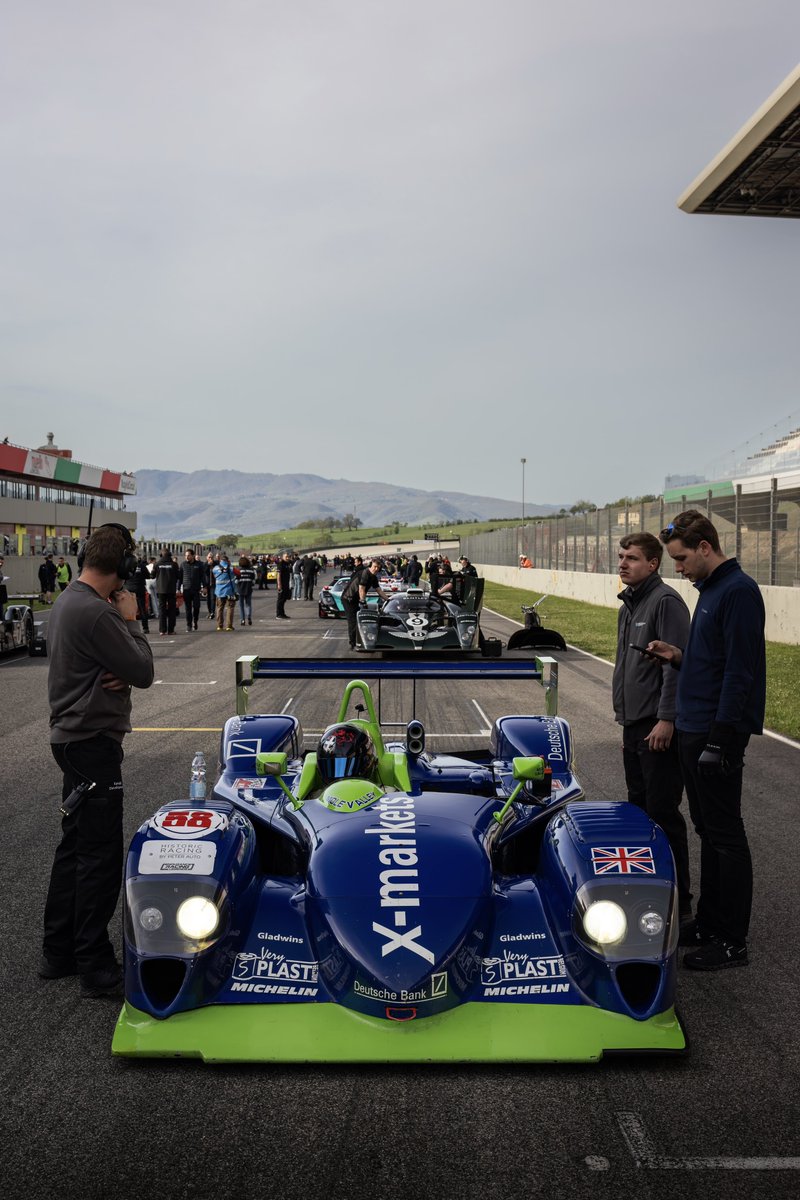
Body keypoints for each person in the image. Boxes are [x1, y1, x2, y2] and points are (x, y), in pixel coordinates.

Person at [649, 510, 766, 971]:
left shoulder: (739, 591)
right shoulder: (711, 591)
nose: (677, 568)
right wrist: (678, 656)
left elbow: (740, 671)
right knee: (707, 831)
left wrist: (721, 739)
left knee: (725, 834)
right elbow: (710, 661)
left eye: (680, 559)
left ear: (704, 547)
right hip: (695, 726)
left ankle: (732, 939)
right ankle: (713, 921)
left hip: (716, 732)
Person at [41, 523, 154, 997]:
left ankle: (59, 951)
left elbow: (120, 671)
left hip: (71, 740)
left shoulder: (69, 600)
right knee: (99, 856)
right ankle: (94, 964)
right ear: (122, 565)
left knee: (74, 849)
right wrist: (130, 621)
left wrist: (118, 671)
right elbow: (144, 670)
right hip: (92, 743)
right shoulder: (101, 614)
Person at [612, 532, 692, 923]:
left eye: (632, 558)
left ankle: (680, 903)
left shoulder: (665, 602)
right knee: (639, 813)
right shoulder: (628, 605)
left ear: (653, 564)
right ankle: (647, 896)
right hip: (633, 726)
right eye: (621, 556)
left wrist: (666, 718)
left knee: (663, 815)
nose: (623, 563)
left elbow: (676, 667)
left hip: (655, 727)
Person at [342, 559, 389, 650]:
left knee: (361, 619)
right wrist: (363, 601)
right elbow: (361, 589)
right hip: (348, 599)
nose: (376, 569)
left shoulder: (374, 577)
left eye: (378, 568)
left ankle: (361, 639)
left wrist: (388, 599)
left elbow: (379, 590)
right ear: (371, 565)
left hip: (356, 599)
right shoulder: (365, 573)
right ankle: (353, 643)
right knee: (353, 621)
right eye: (375, 566)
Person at [155, 547, 179, 636]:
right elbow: (178, 576)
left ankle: (162, 630)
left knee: (162, 610)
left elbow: (153, 575)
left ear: (161, 555)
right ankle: (171, 630)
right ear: (170, 555)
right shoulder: (174, 564)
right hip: (171, 590)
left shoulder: (157, 564)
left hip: (161, 590)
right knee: (172, 610)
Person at [179, 549, 204, 632]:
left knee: (196, 607)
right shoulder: (182, 564)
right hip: (186, 589)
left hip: (196, 589)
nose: (187, 557)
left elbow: (202, 576)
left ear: (193, 555)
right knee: (188, 608)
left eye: (188, 555)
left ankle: (195, 620)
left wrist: (205, 587)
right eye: (185, 555)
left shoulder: (199, 564)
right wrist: (178, 588)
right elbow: (180, 578)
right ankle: (189, 625)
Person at [213, 553, 237, 631]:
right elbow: (238, 573)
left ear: (220, 561)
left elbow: (214, 575)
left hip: (219, 592)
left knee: (219, 608)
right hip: (230, 592)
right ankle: (229, 626)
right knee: (230, 608)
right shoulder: (231, 568)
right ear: (228, 561)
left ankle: (220, 626)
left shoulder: (215, 568)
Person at [237, 554, 256, 625]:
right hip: (248, 589)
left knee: (241, 605)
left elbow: (236, 581)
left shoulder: (238, 571)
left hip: (240, 589)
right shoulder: (251, 571)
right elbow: (253, 581)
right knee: (248, 604)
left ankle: (242, 620)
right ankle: (249, 617)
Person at [276, 552, 292, 619]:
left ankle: (282, 613)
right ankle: (278, 614)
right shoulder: (281, 564)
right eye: (286, 557)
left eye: (288, 556)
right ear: (283, 557)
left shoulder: (287, 564)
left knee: (284, 599)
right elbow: (278, 575)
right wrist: (279, 585)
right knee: (280, 600)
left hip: (286, 584)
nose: (287, 558)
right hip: (281, 585)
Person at [144, 557, 159, 621]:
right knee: (156, 597)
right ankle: (158, 612)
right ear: (153, 561)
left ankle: (155, 613)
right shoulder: (156, 565)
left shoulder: (146, 566)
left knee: (152, 598)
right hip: (155, 581)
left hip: (148, 581)